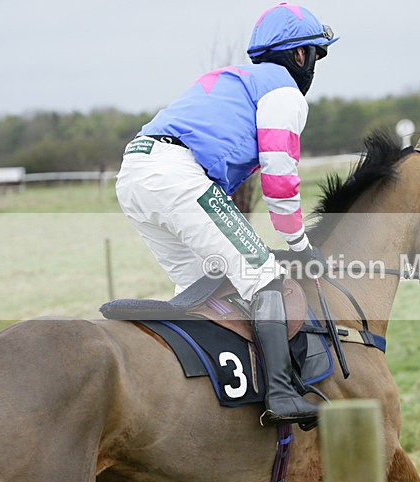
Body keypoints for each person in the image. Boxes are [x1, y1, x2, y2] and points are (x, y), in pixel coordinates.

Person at [115, 2, 338, 427]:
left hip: (136, 172)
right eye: (316, 55)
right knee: (265, 276)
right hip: (176, 175)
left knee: (206, 287)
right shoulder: (283, 91)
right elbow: (279, 178)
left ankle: (209, 399)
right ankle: (281, 395)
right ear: (300, 55)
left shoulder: (238, 79)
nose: (314, 66)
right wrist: (299, 245)